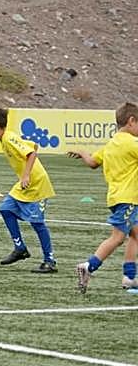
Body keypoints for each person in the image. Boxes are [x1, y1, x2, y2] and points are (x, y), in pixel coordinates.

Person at [69, 102, 138, 293]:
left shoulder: (110, 144)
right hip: (129, 198)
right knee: (117, 238)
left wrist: (83, 152)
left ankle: (130, 277)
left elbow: (92, 162)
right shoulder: (132, 143)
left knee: (136, 234)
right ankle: (88, 266)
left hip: (116, 198)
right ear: (131, 121)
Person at [0, 107, 57, 272]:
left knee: (37, 223)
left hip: (37, 184)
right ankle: (20, 248)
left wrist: (26, 175)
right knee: (5, 209)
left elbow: (31, 154)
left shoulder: (8, 138)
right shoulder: (6, 139)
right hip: (24, 185)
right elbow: (33, 146)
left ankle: (49, 261)